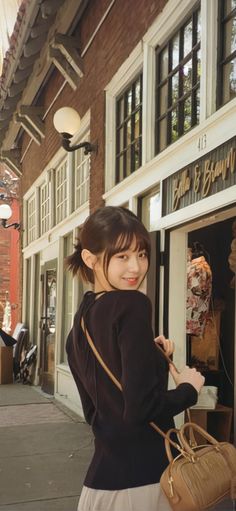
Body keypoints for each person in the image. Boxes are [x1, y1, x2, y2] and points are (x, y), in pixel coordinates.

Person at [66, 206, 205, 511]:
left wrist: (154, 357)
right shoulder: (133, 305)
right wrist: (188, 390)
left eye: (141, 254)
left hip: (100, 485)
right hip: (145, 481)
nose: (136, 268)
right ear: (91, 259)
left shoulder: (80, 321)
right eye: (122, 256)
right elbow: (140, 409)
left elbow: (97, 411)